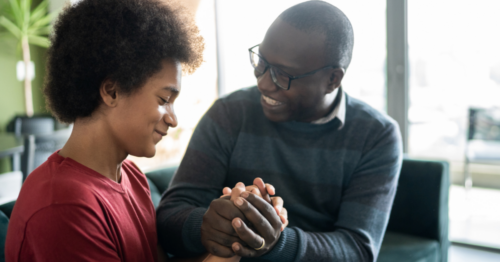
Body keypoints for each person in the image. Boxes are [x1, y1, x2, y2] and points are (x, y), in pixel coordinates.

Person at [157, 1, 403, 261]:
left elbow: (357, 251)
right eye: (261, 62)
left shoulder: (376, 135)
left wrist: (277, 243)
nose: (263, 83)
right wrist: (208, 224)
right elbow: (168, 215)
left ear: (332, 80)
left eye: (283, 75)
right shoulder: (230, 113)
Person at [4, 0, 210, 261]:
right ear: (112, 91)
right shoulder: (63, 205)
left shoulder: (132, 178)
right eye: (163, 100)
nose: (173, 119)